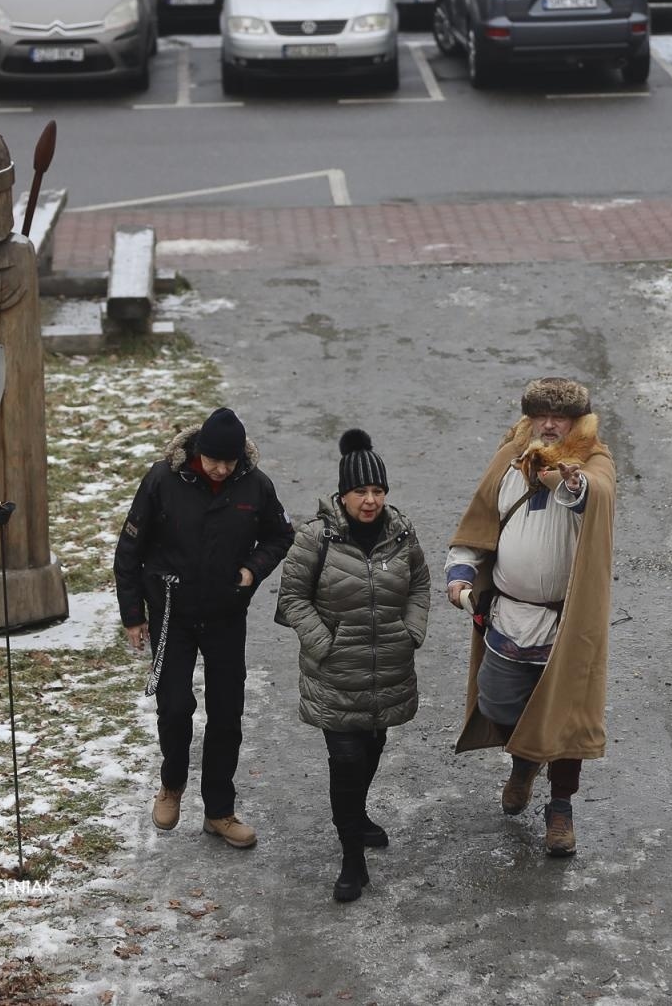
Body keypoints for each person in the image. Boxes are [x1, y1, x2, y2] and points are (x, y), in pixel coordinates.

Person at [445, 377, 616, 857]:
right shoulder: (510, 458)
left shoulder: (592, 462)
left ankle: (560, 807)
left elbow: (597, 493)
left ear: (578, 421)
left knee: (566, 719)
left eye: (560, 417)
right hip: (508, 615)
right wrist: (461, 570)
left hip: (566, 624)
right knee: (497, 703)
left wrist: (571, 481)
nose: (550, 425)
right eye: (541, 415)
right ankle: (524, 763)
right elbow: (480, 519)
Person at [114, 407, 294, 849]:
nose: (221, 469)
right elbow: (129, 549)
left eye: (229, 462)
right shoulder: (162, 479)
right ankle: (172, 784)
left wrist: (252, 569)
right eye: (214, 460)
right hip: (171, 613)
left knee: (227, 713)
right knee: (175, 707)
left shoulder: (255, 485)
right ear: (198, 452)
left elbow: (280, 535)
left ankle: (219, 811)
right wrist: (133, 615)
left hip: (225, 613)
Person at [275, 429, 430, 901]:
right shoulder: (315, 538)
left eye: (378, 490)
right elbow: (291, 598)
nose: (370, 500)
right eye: (361, 491)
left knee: (373, 745)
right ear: (342, 493)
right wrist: (324, 643)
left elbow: (420, 584)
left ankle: (357, 816)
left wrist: (411, 630)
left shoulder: (401, 534)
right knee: (346, 760)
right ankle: (351, 858)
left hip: (387, 670)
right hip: (336, 674)